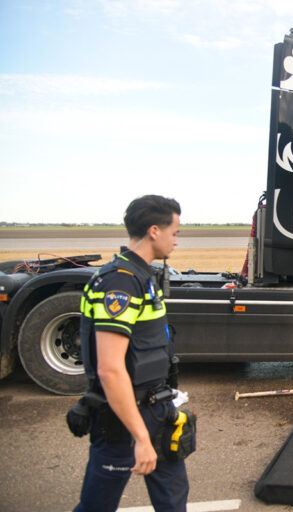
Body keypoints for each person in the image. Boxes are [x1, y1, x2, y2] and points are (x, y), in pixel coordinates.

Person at [74, 195, 188, 512]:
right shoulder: (119, 284)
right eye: (175, 232)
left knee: (174, 500)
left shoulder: (142, 276)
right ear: (154, 230)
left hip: (157, 408)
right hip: (124, 420)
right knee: (97, 505)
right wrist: (140, 438)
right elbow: (110, 369)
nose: (177, 241)